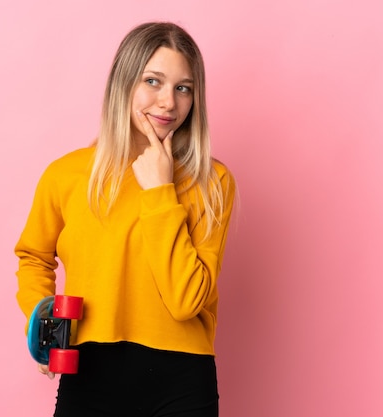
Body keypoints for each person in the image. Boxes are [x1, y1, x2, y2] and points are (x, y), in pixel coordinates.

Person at [15, 21, 236, 417]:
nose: (168, 102)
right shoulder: (67, 175)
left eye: (183, 88)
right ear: (124, 83)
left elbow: (186, 301)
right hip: (90, 371)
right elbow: (33, 256)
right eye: (153, 81)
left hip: (184, 378)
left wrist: (159, 191)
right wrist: (45, 329)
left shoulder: (212, 181)